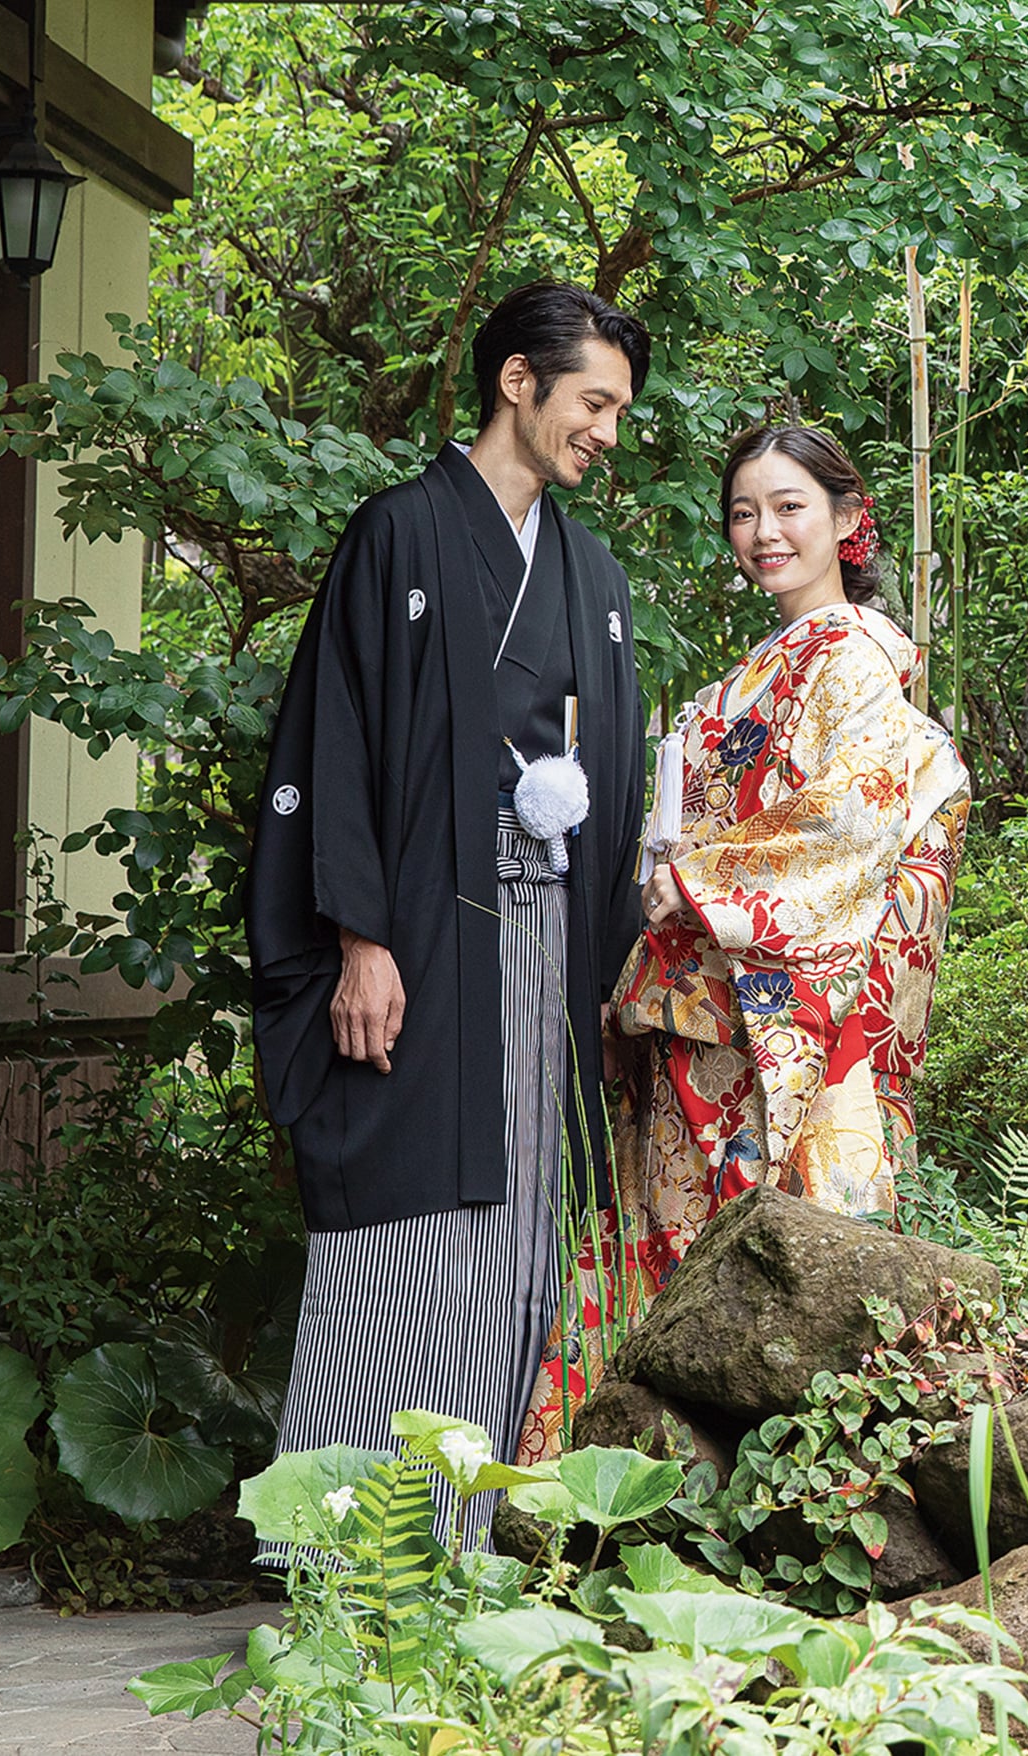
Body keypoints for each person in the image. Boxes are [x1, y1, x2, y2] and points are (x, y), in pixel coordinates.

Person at [247, 281, 651, 1500]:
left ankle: (468, 1537)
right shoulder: (401, 533)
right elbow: (339, 741)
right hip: (423, 928)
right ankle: (351, 1541)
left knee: (529, 1200)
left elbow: (617, 774)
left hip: (550, 935)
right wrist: (361, 937)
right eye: (593, 401)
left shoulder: (594, 576)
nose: (608, 433)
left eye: (622, 411)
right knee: (409, 1201)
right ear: (517, 383)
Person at [519, 423, 969, 1459]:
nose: (763, 531)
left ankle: (753, 1496)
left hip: (771, 1015)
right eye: (743, 511)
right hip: (702, 1000)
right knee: (686, 1252)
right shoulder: (752, 672)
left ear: (848, 522)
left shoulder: (854, 656)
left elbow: (850, 823)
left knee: (764, 1254)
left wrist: (689, 881)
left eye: (790, 506)